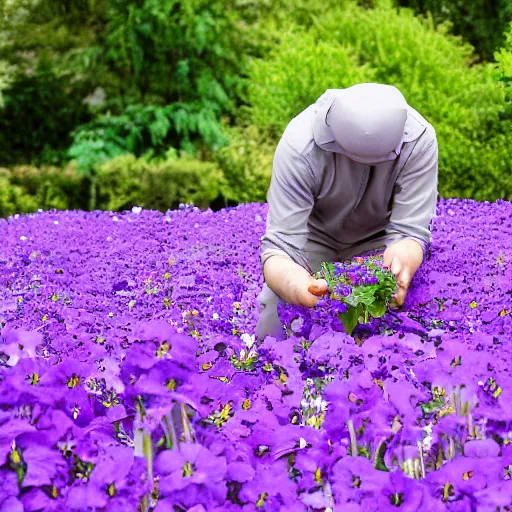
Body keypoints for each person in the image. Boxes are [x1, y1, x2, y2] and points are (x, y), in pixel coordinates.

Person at [255, 83, 438, 340]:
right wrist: (298, 288)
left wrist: (403, 257)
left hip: (379, 243)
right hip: (312, 238)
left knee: (388, 329)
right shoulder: (299, 143)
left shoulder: (419, 141)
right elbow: (279, 247)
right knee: (274, 318)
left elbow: (412, 230)